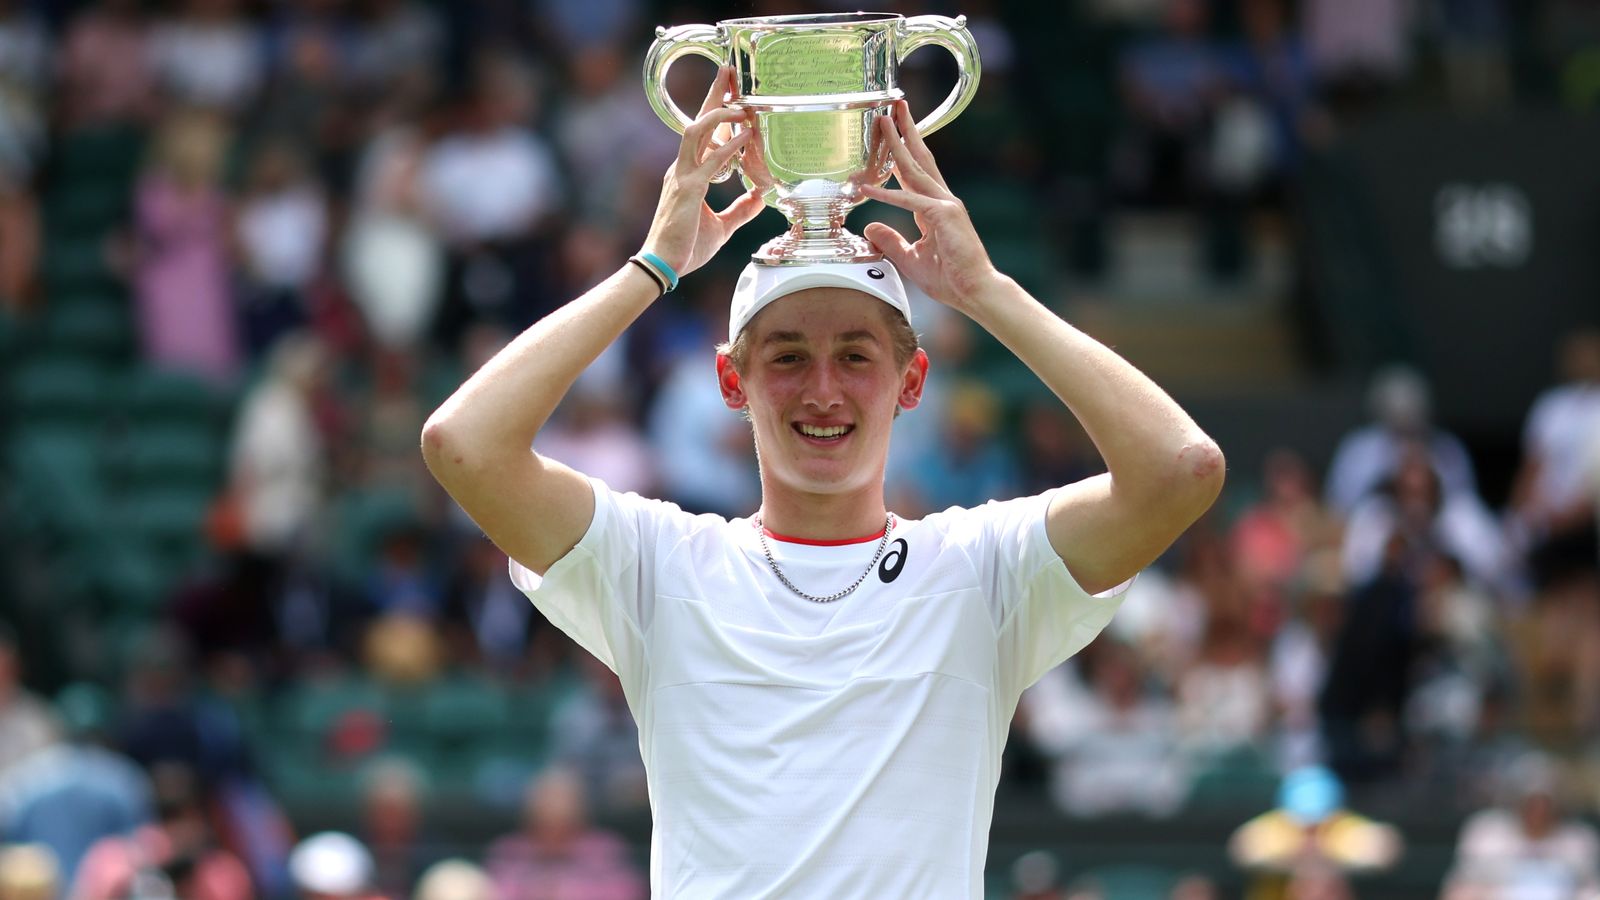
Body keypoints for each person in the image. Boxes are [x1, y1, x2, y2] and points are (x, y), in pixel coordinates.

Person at [420, 68, 1225, 898]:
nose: (824, 391)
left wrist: (988, 294)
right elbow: (464, 444)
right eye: (788, 357)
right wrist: (652, 267)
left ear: (912, 382)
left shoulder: (985, 570)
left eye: (855, 356)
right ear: (733, 383)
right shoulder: (658, 565)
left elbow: (1182, 470)